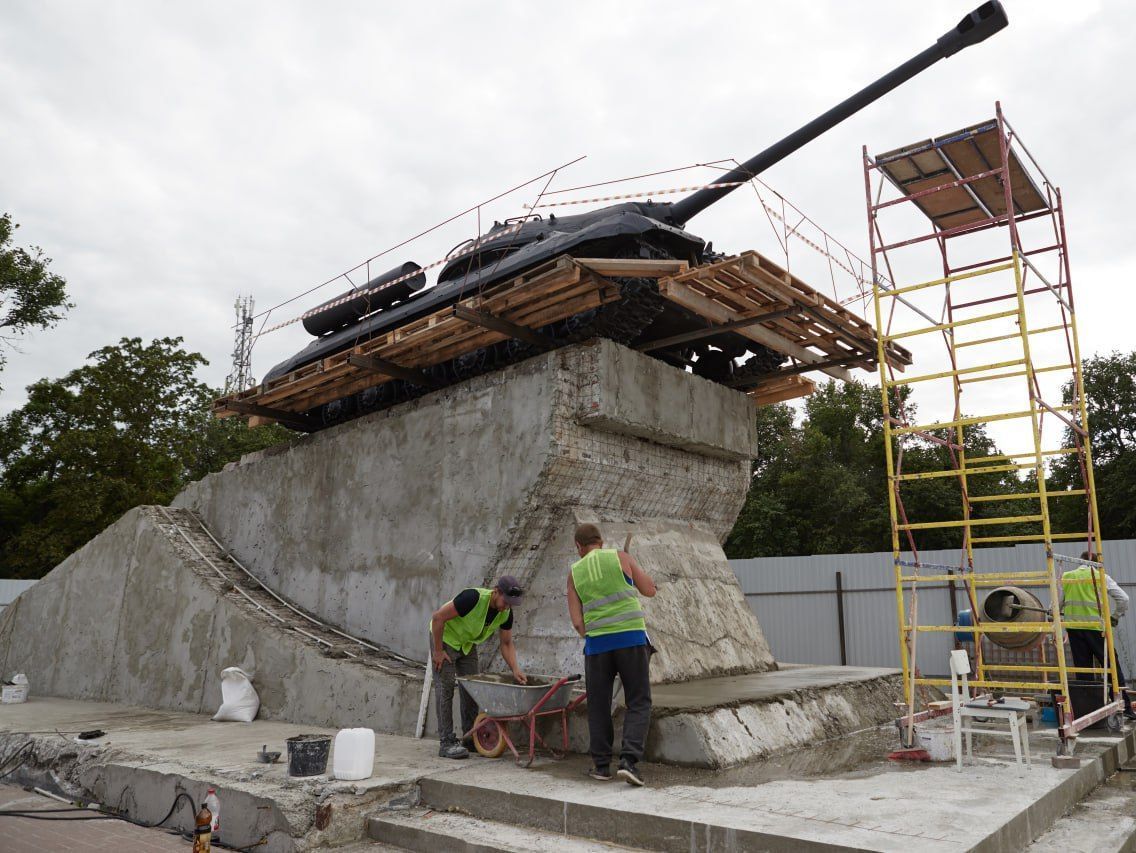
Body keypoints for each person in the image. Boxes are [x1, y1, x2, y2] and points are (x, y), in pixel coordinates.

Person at [566, 523, 656, 786]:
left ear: (578, 547)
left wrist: (594, 633)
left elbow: (577, 622)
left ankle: (601, 765)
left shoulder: (574, 572)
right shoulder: (620, 557)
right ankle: (628, 762)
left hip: (597, 647)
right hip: (631, 640)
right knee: (638, 700)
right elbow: (649, 589)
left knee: (598, 704)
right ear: (601, 542)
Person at [430, 576, 527, 758]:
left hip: (466, 644)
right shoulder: (472, 598)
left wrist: (515, 668)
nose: (507, 606)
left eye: (511, 603)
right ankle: (447, 742)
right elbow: (437, 618)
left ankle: (470, 737)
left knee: (471, 689)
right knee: (446, 689)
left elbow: (506, 643)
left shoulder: (505, 613)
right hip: (446, 640)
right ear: (496, 591)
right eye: (506, 601)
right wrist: (437, 651)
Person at [1060, 551, 1135, 721]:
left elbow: (1055, 605)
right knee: (1111, 668)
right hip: (1097, 630)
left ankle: (1088, 711)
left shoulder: (1067, 576)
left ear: (1080, 561)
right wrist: (1114, 618)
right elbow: (1124, 599)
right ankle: (1125, 707)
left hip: (1075, 629)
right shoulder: (1101, 575)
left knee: (1083, 671)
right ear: (1096, 562)